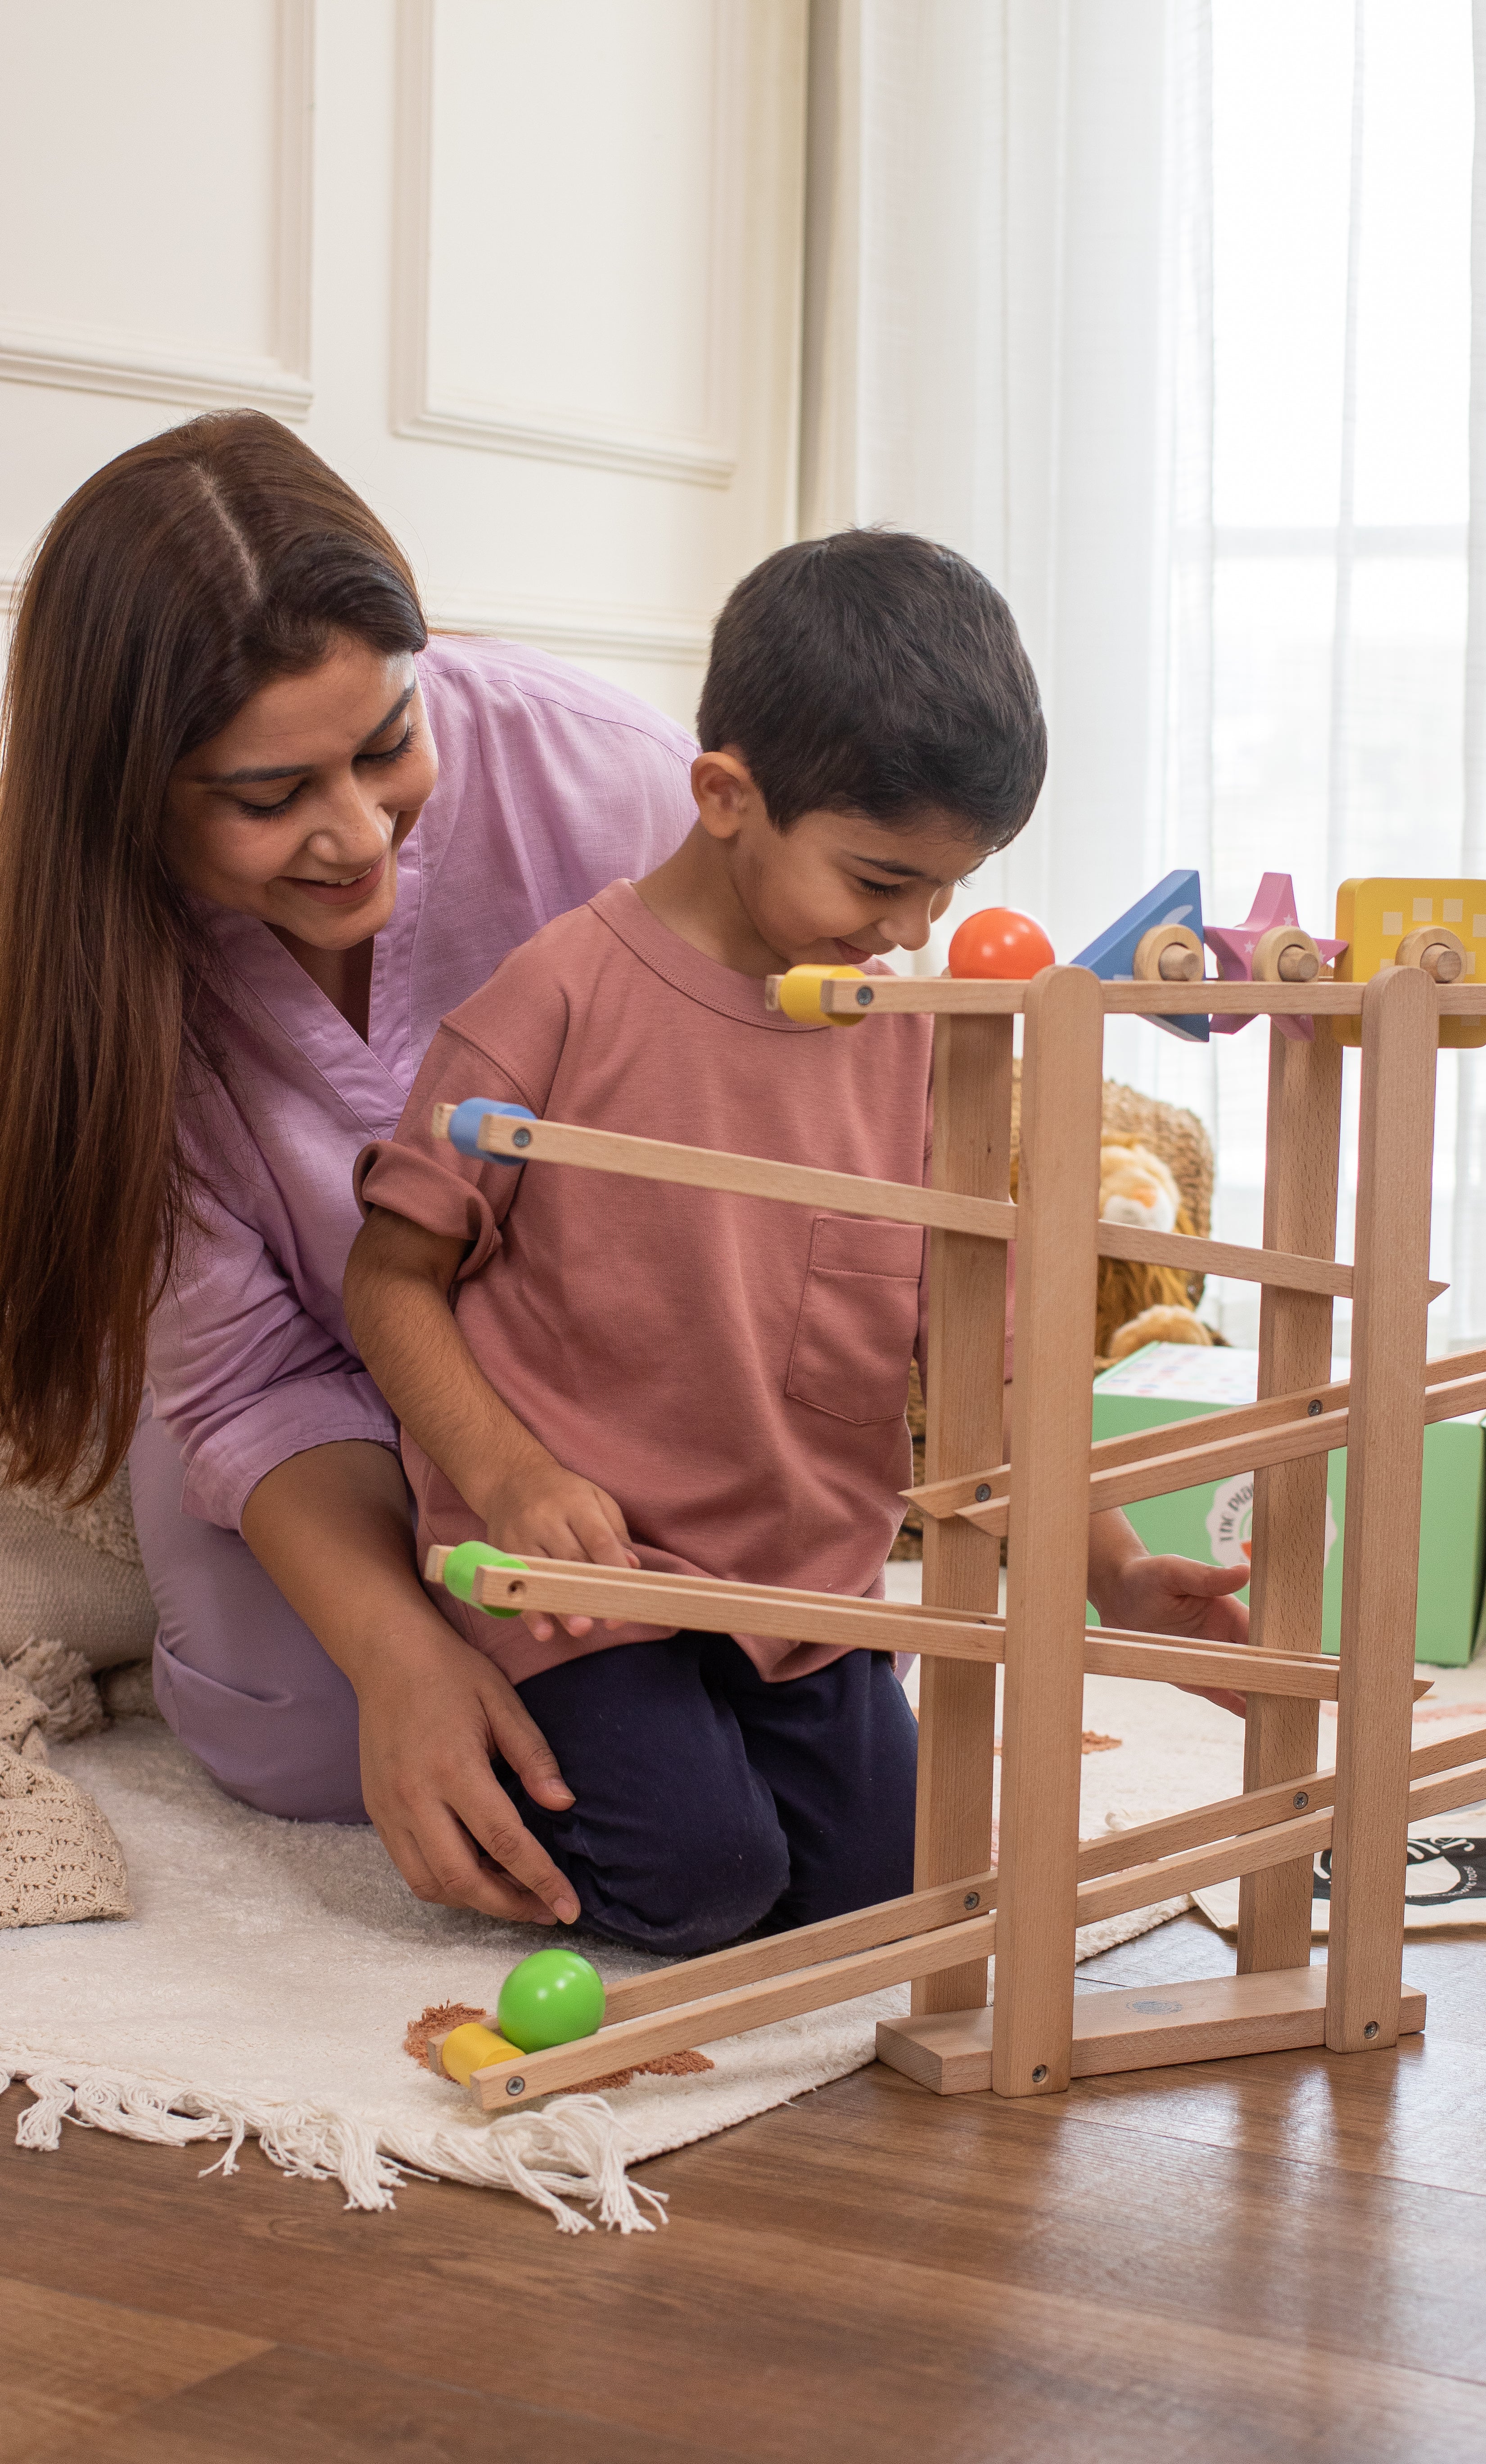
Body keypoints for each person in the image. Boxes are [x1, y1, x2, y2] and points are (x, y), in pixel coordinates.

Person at [345, 531, 1250, 1955]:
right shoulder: (554, 1002)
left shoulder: (913, 1045)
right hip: (589, 1583)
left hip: (796, 1585)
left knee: (883, 1893)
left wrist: (1117, 1569)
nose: (914, 927)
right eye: (880, 879)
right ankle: (613, 1756)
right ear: (725, 796)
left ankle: (724, 1755)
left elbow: (989, 1369)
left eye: (950, 888)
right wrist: (509, 1477)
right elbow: (388, 1283)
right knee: (705, 1886)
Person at [0, 408, 697, 1929]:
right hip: (302, 1389)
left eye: (390, 743)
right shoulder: (78, 959)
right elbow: (239, 1375)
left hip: (600, 1372)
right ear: (129, 791)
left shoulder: (619, 787)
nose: (356, 835)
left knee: (705, 1694)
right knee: (312, 1737)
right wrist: (396, 1652)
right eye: (268, 800)